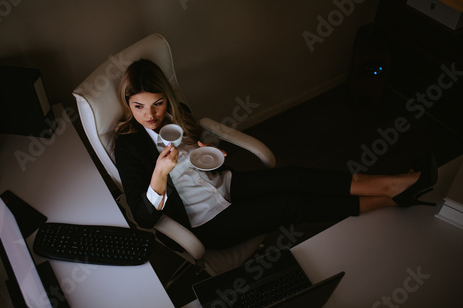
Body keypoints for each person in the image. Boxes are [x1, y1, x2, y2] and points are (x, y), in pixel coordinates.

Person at [114, 59, 438, 249]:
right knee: (292, 206)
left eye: (157, 103)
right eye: (139, 106)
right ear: (128, 104)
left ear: (166, 99)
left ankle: (388, 185)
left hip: (225, 184)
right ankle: (390, 198)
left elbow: (199, 143)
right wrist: (160, 173)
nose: (150, 115)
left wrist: (207, 150)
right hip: (206, 221)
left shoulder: (178, 114)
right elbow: (144, 217)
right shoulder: (129, 145)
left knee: (297, 175)